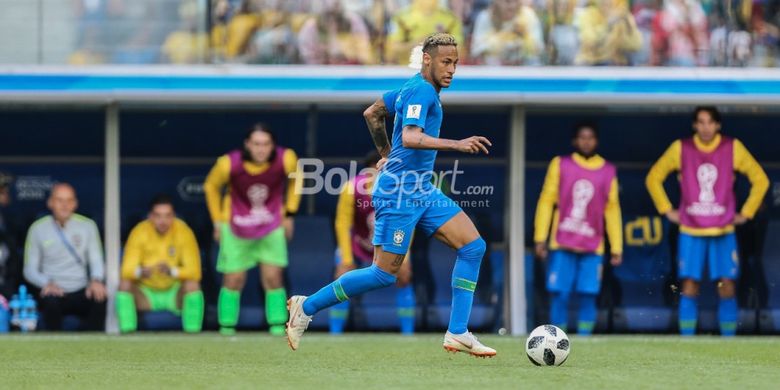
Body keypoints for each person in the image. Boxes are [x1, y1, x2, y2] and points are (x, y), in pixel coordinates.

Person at [287, 33, 496, 357]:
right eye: (445, 62)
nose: (452, 69)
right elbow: (412, 137)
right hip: (399, 191)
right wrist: (456, 144)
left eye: (455, 62)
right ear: (427, 60)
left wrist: (387, 152)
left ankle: (457, 331)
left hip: (421, 188)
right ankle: (307, 306)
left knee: (473, 246)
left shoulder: (413, 89)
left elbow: (372, 113)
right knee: (384, 274)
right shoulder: (421, 90)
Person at [646, 106, 769, 336]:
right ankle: (687, 343)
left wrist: (747, 212)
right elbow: (654, 177)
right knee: (689, 286)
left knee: (727, 286)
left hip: (723, 229)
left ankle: (728, 343)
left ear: (718, 125)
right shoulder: (680, 148)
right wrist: (666, 209)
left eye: (710, 122)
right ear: (694, 125)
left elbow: (760, 180)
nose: (705, 127)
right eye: (700, 122)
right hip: (691, 229)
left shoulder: (732, 147)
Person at [204, 123, 302, 336]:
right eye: (256, 144)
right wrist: (217, 222)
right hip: (235, 226)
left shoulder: (286, 158)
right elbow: (210, 187)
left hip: (271, 224)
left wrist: (289, 214)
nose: (261, 149)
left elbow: (297, 180)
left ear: (272, 145)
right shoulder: (228, 163)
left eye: (266, 144)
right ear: (247, 144)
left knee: (274, 277)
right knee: (233, 279)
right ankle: (226, 327)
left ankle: (277, 326)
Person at [533, 123, 623, 335]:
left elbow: (612, 211)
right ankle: (556, 340)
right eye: (582, 137)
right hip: (562, 242)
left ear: (596, 141)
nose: (586, 141)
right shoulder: (560, 164)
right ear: (575, 141)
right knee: (559, 293)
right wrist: (540, 237)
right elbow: (546, 201)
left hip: (593, 246)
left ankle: (585, 340)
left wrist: (617, 247)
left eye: (590, 137)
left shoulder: (608, 170)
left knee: (589, 294)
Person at [330, 151, 415, 334]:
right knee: (342, 276)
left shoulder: (401, 190)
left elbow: (407, 225)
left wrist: (404, 257)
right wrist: (346, 258)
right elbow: (343, 224)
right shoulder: (351, 188)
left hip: (389, 245)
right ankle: (334, 333)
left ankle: (408, 333)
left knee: (404, 276)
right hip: (357, 243)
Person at [23, 183, 106, 331]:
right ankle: (53, 348)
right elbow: (29, 269)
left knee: (100, 297)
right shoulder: (37, 228)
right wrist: (46, 283)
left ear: (75, 203)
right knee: (50, 302)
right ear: (50, 202)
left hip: (81, 288)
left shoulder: (88, 225)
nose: (64, 205)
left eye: (69, 200)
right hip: (53, 289)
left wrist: (96, 280)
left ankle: (95, 347)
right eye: (59, 200)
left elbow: (96, 260)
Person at [116, 195, 204, 333]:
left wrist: (172, 271)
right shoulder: (139, 232)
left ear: (173, 216)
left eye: (167, 216)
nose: (163, 221)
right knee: (124, 284)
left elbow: (195, 272)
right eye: (158, 216)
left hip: (173, 293)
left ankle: (192, 333)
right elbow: (126, 271)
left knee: (192, 285)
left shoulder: (184, 231)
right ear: (150, 216)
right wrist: (141, 272)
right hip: (147, 294)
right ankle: (128, 334)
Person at [384, 0, 464, 65]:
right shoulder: (400, 18)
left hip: (440, 71)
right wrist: (415, 44)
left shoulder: (451, 19)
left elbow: (460, 50)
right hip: (407, 69)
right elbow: (391, 51)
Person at [297, 0, 375, 65]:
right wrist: (325, 55)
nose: (333, 24)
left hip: (351, 77)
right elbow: (309, 63)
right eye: (328, 17)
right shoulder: (310, 29)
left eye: (336, 19)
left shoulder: (354, 22)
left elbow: (365, 57)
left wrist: (345, 54)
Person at [470, 0, 544, 65]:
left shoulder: (529, 15)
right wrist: (504, 37)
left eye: (515, 1)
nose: (511, 5)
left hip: (525, 69)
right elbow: (476, 50)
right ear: (497, 2)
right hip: (493, 72)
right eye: (507, 1)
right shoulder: (485, 17)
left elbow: (539, 47)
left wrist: (524, 38)